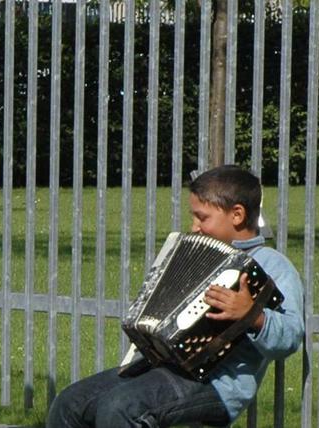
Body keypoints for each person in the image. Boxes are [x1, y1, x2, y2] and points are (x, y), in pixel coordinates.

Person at [46, 165, 305, 427]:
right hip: (159, 367)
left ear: (237, 215)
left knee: (121, 409)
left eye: (202, 218)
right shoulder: (195, 252)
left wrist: (253, 316)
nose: (194, 227)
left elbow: (291, 336)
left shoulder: (272, 265)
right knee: (68, 404)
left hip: (218, 385)